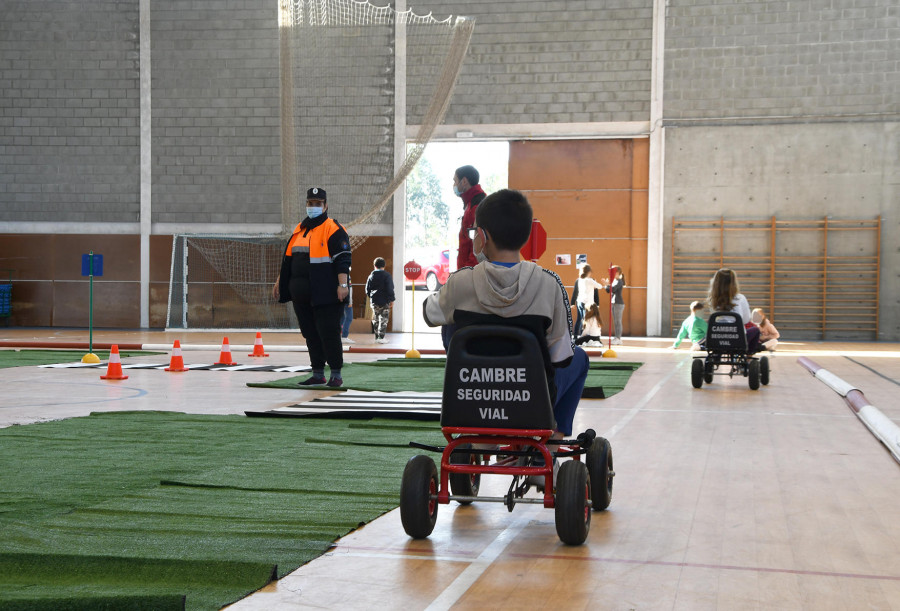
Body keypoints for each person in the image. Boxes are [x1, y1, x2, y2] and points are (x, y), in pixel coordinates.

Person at [423, 188, 589, 442]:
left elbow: (429, 314)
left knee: (450, 323)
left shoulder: (460, 283)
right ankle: (552, 440)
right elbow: (560, 355)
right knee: (579, 358)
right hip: (530, 400)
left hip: (471, 396)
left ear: (483, 236)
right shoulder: (549, 285)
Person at [273, 187, 351, 387]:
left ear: (325, 206)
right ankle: (317, 373)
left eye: (317, 203)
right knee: (310, 333)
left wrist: (343, 285)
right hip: (301, 295)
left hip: (326, 294)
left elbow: (342, 260)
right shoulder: (299, 229)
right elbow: (288, 261)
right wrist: (279, 282)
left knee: (328, 332)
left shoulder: (333, 228)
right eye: (310, 203)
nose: (313, 207)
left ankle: (335, 374)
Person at [441, 165, 488, 350]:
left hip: (472, 276)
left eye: (455, 180)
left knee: (453, 329)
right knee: (448, 327)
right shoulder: (470, 204)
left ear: (464, 181)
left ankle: (460, 360)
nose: (454, 184)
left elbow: (477, 248)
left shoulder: (478, 206)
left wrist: (465, 275)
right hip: (467, 273)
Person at [707, 268, 760, 352]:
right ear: (734, 283)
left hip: (717, 339)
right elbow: (746, 320)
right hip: (737, 339)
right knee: (756, 330)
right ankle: (748, 357)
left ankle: (716, 356)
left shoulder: (713, 300)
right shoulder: (741, 298)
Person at [365, 257, 395, 344]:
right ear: (384, 266)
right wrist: (391, 299)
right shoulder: (387, 275)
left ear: (374, 266)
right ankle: (381, 337)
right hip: (384, 300)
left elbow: (367, 289)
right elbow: (390, 289)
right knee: (384, 319)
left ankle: (376, 337)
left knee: (376, 318)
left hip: (374, 300)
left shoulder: (371, 276)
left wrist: (371, 296)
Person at [573, 265, 603, 338]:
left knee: (579, 319)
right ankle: (582, 335)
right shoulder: (590, 280)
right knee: (585, 319)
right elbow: (600, 286)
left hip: (579, 301)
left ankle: (575, 336)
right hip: (587, 303)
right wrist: (595, 284)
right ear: (589, 272)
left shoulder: (579, 280)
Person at [601, 265, 626, 345]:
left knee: (618, 321)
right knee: (615, 321)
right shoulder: (614, 281)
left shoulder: (619, 281)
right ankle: (616, 337)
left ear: (618, 273)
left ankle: (618, 338)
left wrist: (607, 284)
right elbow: (608, 290)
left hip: (618, 303)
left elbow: (613, 289)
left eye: (613, 272)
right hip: (613, 303)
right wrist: (606, 285)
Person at [340, 272, 354, 344]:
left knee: (342, 317)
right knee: (349, 317)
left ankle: (339, 335)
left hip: (340, 299)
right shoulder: (346, 275)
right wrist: (350, 301)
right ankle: (344, 336)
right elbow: (350, 288)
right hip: (346, 299)